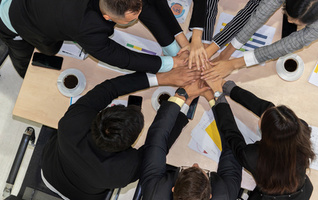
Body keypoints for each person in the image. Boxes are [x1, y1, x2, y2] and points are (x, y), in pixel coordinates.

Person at [41, 68, 199, 200]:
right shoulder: (124, 170)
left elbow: (109, 88)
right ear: (128, 144)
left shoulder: (72, 123)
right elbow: (158, 145)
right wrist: (184, 104)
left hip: (49, 171)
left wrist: (162, 78)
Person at [0, 0, 188, 77]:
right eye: (132, 20)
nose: (139, 18)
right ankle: (25, 75)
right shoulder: (86, 29)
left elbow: (143, 6)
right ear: (107, 18)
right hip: (14, 16)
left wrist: (172, 48)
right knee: (25, 57)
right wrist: (170, 63)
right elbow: (123, 58)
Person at [205, 79, 315, 199]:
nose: (261, 115)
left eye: (262, 120)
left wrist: (218, 97)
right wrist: (231, 89)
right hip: (299, 191)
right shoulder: (300, 128)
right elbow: (269, 110)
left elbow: (232, 134)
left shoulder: (253, 156)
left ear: (267, 136)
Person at [140, 81, 242, 200]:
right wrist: (214, 99)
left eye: (186, 169)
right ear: (210, 196)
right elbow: (233, 145)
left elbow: (156, 137)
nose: (196, 164)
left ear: (173, 189)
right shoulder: (225, 195)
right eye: (204, 172)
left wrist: (182, 95)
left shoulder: (154, 193)